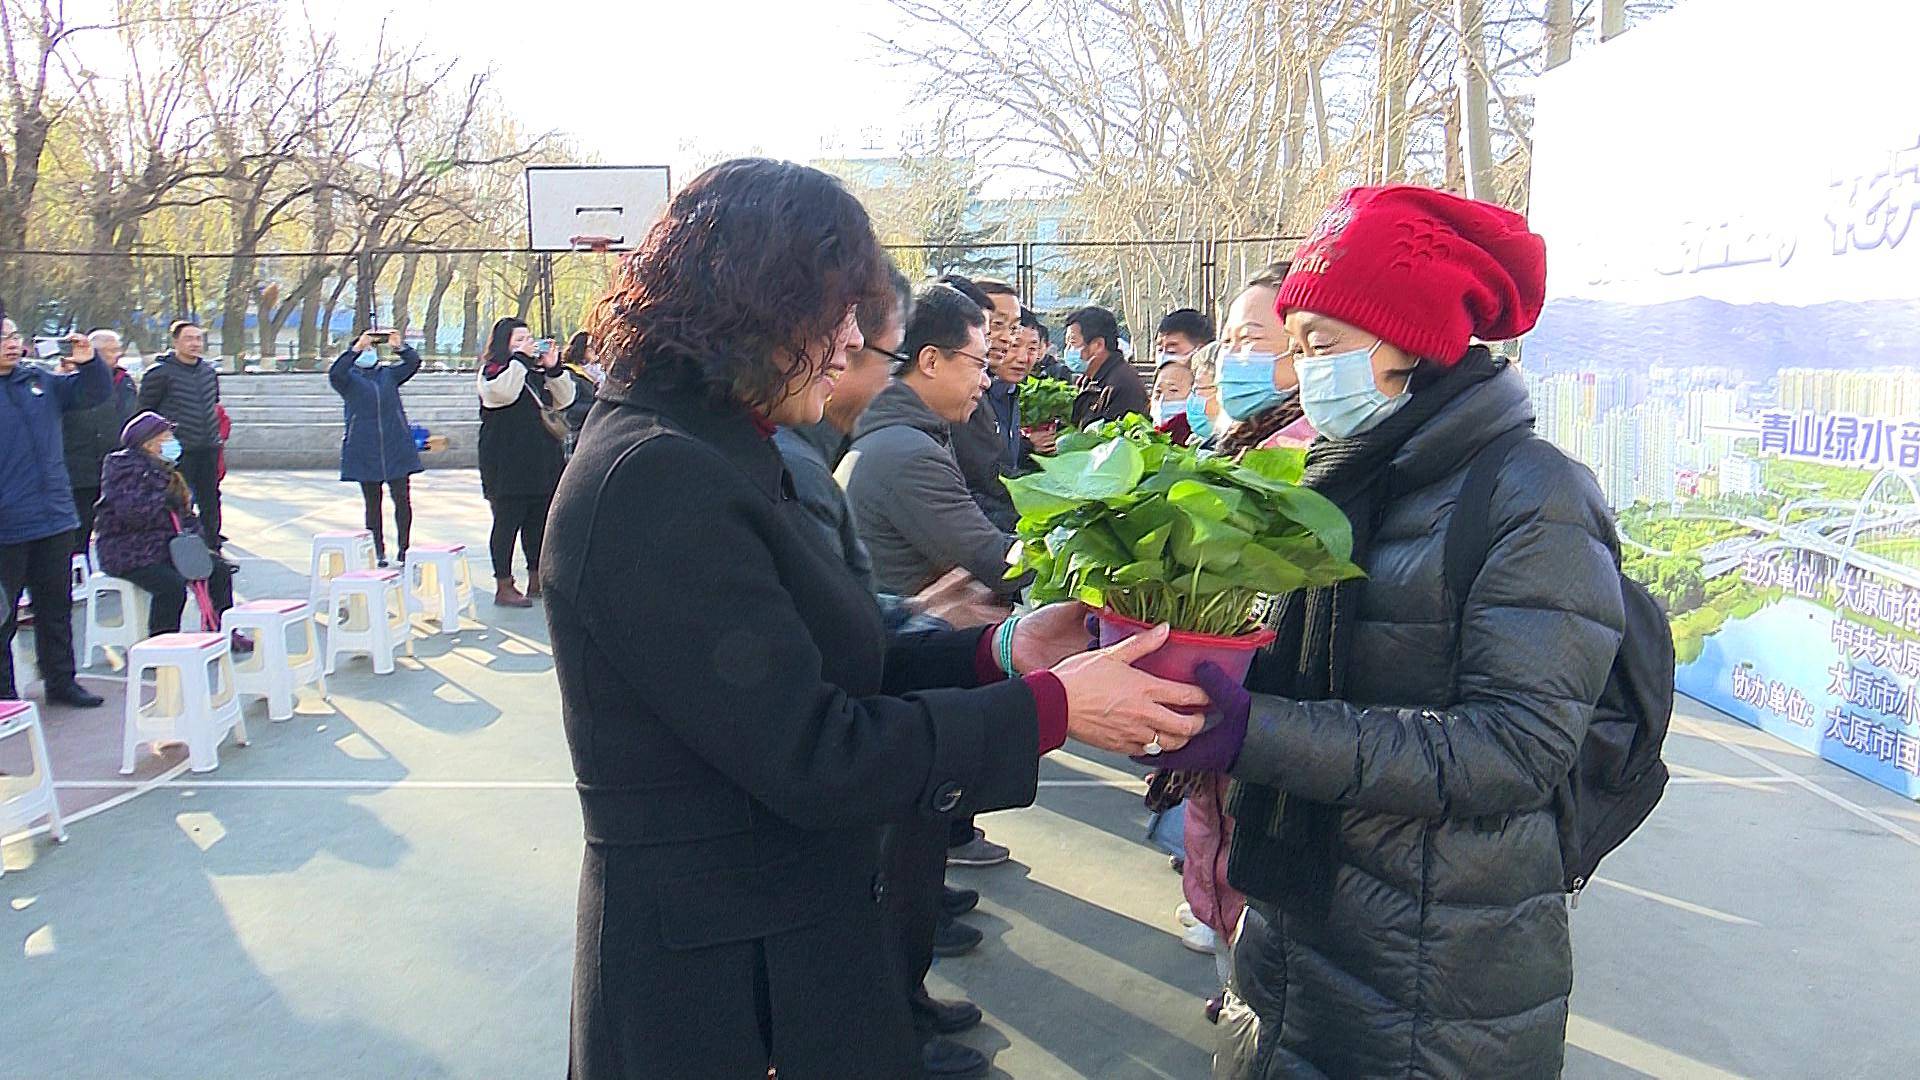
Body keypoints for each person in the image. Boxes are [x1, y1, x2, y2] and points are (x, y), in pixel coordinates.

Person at [542, 157, 1211, 1080]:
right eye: (841, 312)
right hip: (717, 989)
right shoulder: (656, 475)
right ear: (763, 308)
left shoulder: (721, 447)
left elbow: (829, 660)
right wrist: (1051, 710)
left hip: (788, 939)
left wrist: (1004, 652)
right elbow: (813, 751)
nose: (856, 340)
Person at [1141, 186, 1626, 1079]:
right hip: (1293, 920)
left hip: (1433, 966)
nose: (1304, 370)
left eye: (1323, 344)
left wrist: (1258, 731)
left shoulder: (1534, 496)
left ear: (1418, 341)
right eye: (1296, 348)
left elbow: (1516, 748)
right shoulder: (1339, 479)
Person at [843, 284, 1027, 604]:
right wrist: (1074, 543)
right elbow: (999, 564)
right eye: (979, 364)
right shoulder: (910, 455)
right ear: (930, 361)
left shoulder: (900, 432)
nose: (986, 380)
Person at [1, 319, 109, 707]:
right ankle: (5, 696)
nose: (11, 344)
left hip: (53, 517)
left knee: (55, 607)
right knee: (3, 616)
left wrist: (89, 362)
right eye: (3, 337)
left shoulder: (40, 382)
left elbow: (94, 393)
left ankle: (61, 682)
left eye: (14, 335)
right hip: (7, 527)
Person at [94, 412, 237, 637]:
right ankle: (161, 643)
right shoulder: (121, 467)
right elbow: (132, 513)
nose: (172, 440)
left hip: (165, 547)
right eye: (167, 436)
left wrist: (199, 546)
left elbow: (187, 517)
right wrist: (162, 498)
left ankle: (222, 630)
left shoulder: (167, 470)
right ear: (150, 443)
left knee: (218, 571)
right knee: (171, 586)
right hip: (128, 550)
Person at [476, 317, 575, 608]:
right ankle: (503, 584)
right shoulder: (493, 371)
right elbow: (501, 394)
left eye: (528, 339)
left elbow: (565, 399)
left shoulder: (536, 371)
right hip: (505, 460)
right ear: (502, 343)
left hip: (542, 458)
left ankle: (537, 577)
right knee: (507, 522)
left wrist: (553, 366)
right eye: (518, 340)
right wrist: (519, 359)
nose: (526, 344)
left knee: (539, 521)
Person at [330, 329, 424, 568]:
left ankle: (404, 549)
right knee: (373, 503)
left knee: (402, 499)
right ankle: (377, 551)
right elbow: (335, 373)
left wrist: (398, 346)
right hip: (365, 448)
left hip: (395, 445)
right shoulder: (349, 379)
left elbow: (413, 363)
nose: (369, 352)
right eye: (366, 348)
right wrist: (356, 349)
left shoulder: (388, 375)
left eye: (372, 348)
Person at [137, 320, 224, 555]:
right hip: (176, 450)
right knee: (178, 500)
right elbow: (145, 411)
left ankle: (212, 547)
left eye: (198, 338)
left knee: (211, 499)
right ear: (175, 342)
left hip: (208, 446)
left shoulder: (208, 371)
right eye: (189, 338)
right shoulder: (159, 373)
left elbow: (214, 405)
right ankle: (177, 547)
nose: (195, 343)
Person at [947, 277, 1023, 533]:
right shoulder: (952, 398)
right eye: (995, 325)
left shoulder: (992, 388)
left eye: (1014, 328)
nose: (1006, 338)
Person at [1215, 263, 1316, 455]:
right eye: (1226, 341)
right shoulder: (1241, 436)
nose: (1229, 355)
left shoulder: (1311, 445)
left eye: (1249, 338)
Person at [59, 328, 139, 557]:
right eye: (111, 351)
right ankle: (77, 577)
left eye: (118, 350)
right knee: (78, 532)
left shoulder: (125, 382)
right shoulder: (70, 382)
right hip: (80, 471)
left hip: (115, 469)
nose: (118, 355)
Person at [1064, 305, 1149, 425]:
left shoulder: (1122, 385)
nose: (1068, 350)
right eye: (1067, 343)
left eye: (1073, 342)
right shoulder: (1089, 379)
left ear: (1098, 345)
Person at [1151, 354, 1195, 445]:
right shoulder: (1143, 435)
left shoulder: (1196, 440)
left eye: (1173, 390)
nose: (1163, 398)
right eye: (1158, 392)